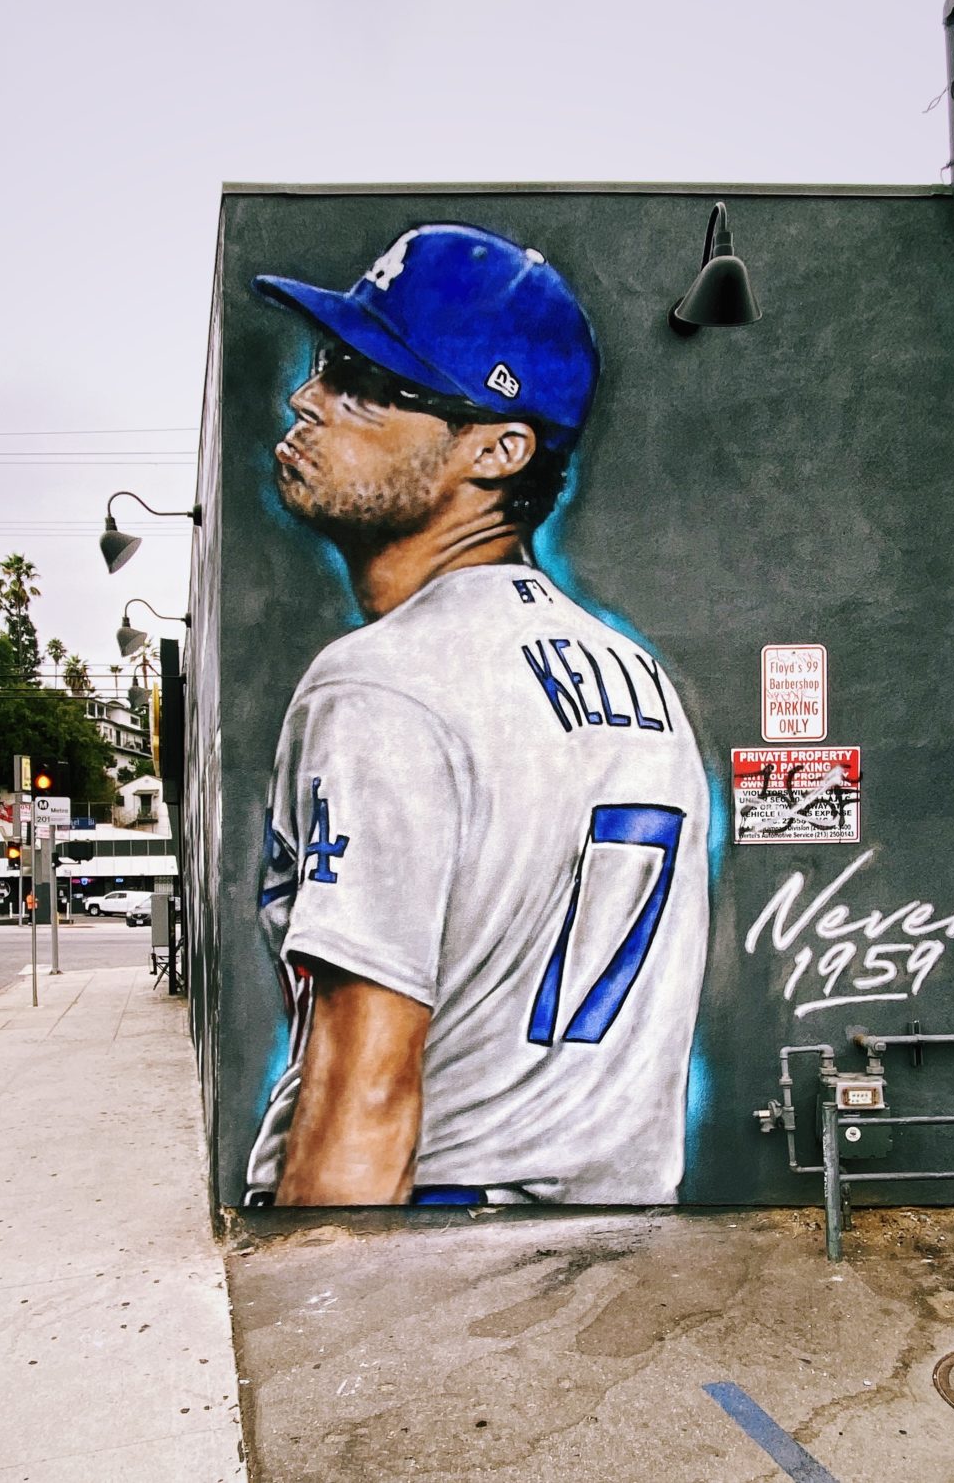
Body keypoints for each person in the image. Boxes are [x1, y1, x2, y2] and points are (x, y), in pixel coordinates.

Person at [246, 223, 710, 1206]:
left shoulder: (379, 687)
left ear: (501, 449)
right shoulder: (636, 679)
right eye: (325, 365)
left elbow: (362, 1106)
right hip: (612, 1264)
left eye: (365, 382)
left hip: (430, 1259)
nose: (308, 398)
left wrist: (327, 1329)